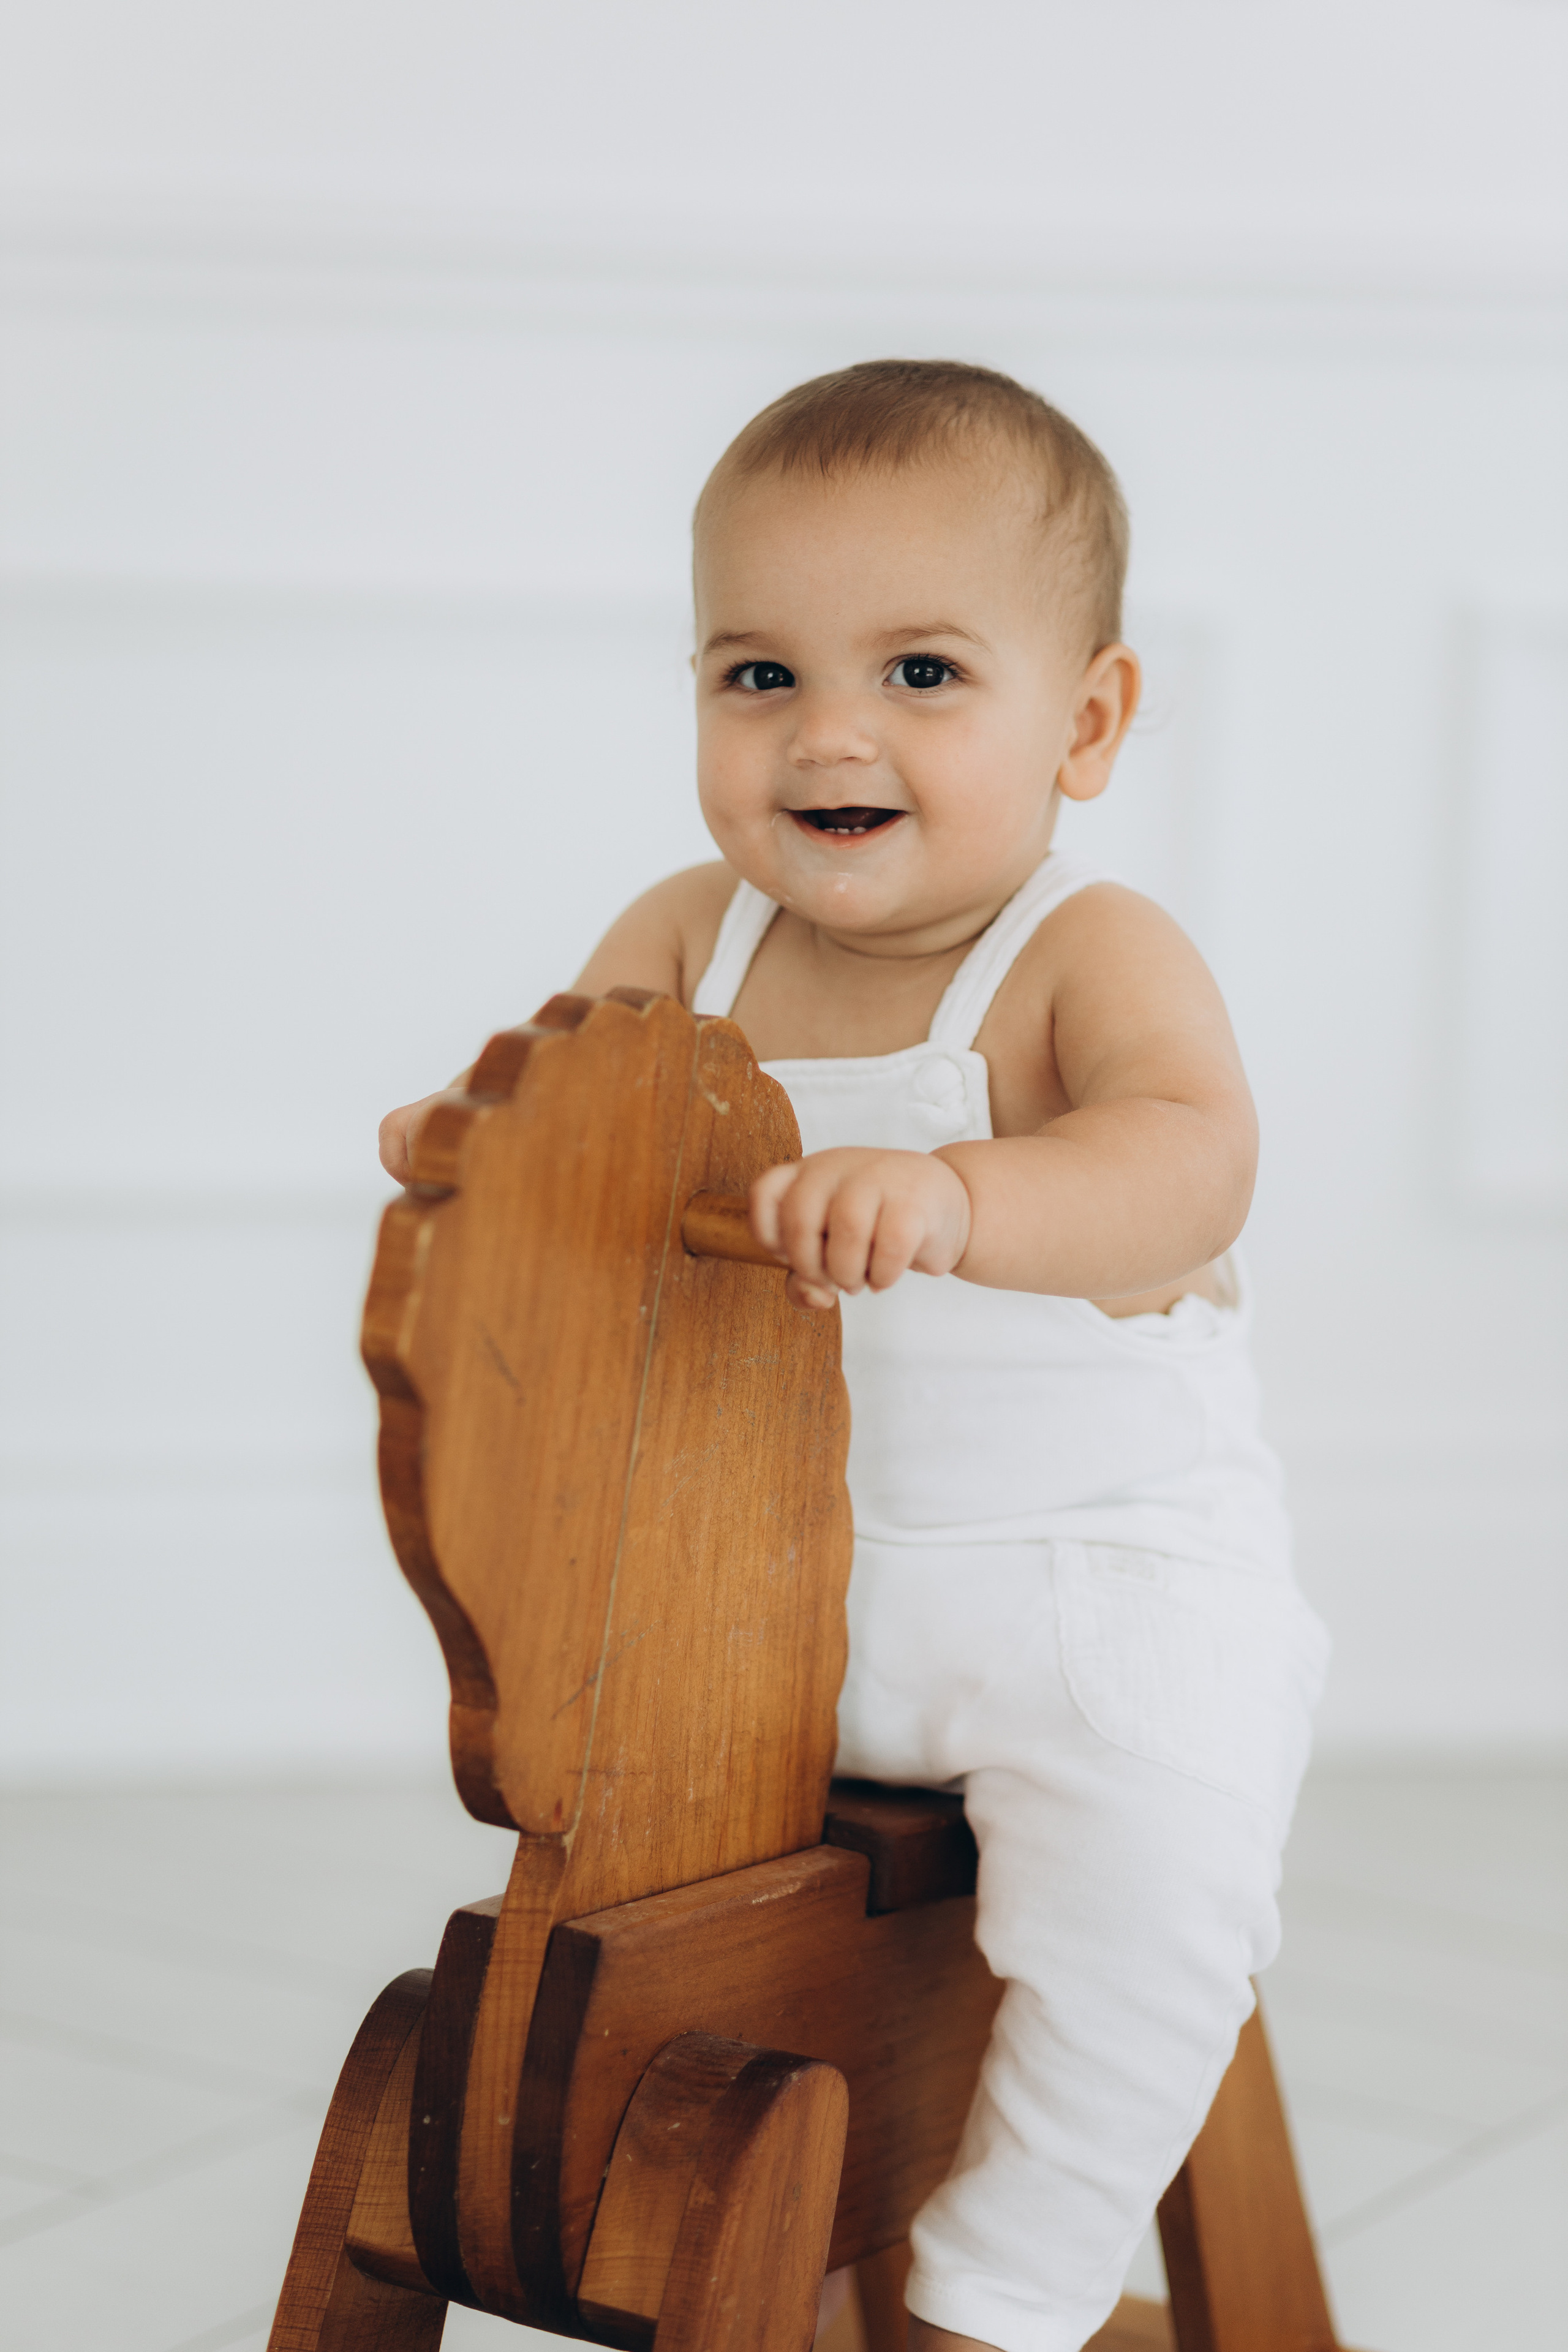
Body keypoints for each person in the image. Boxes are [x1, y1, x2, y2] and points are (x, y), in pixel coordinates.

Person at [379, 360, 1329, 2352]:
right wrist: (478, 1158)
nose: (828, 733)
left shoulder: (1086, 953)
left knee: (1155, 1904)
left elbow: (1193, 1167)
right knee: (596, 1891)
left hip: (1087, 1581)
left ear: (1085, 722)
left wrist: (970, 1195)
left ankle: (1008, 2288)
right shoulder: (685, 936)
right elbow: (576, 1126)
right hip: (773, 1605)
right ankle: (662, 2210)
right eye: (757, 676)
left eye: (918, 674)